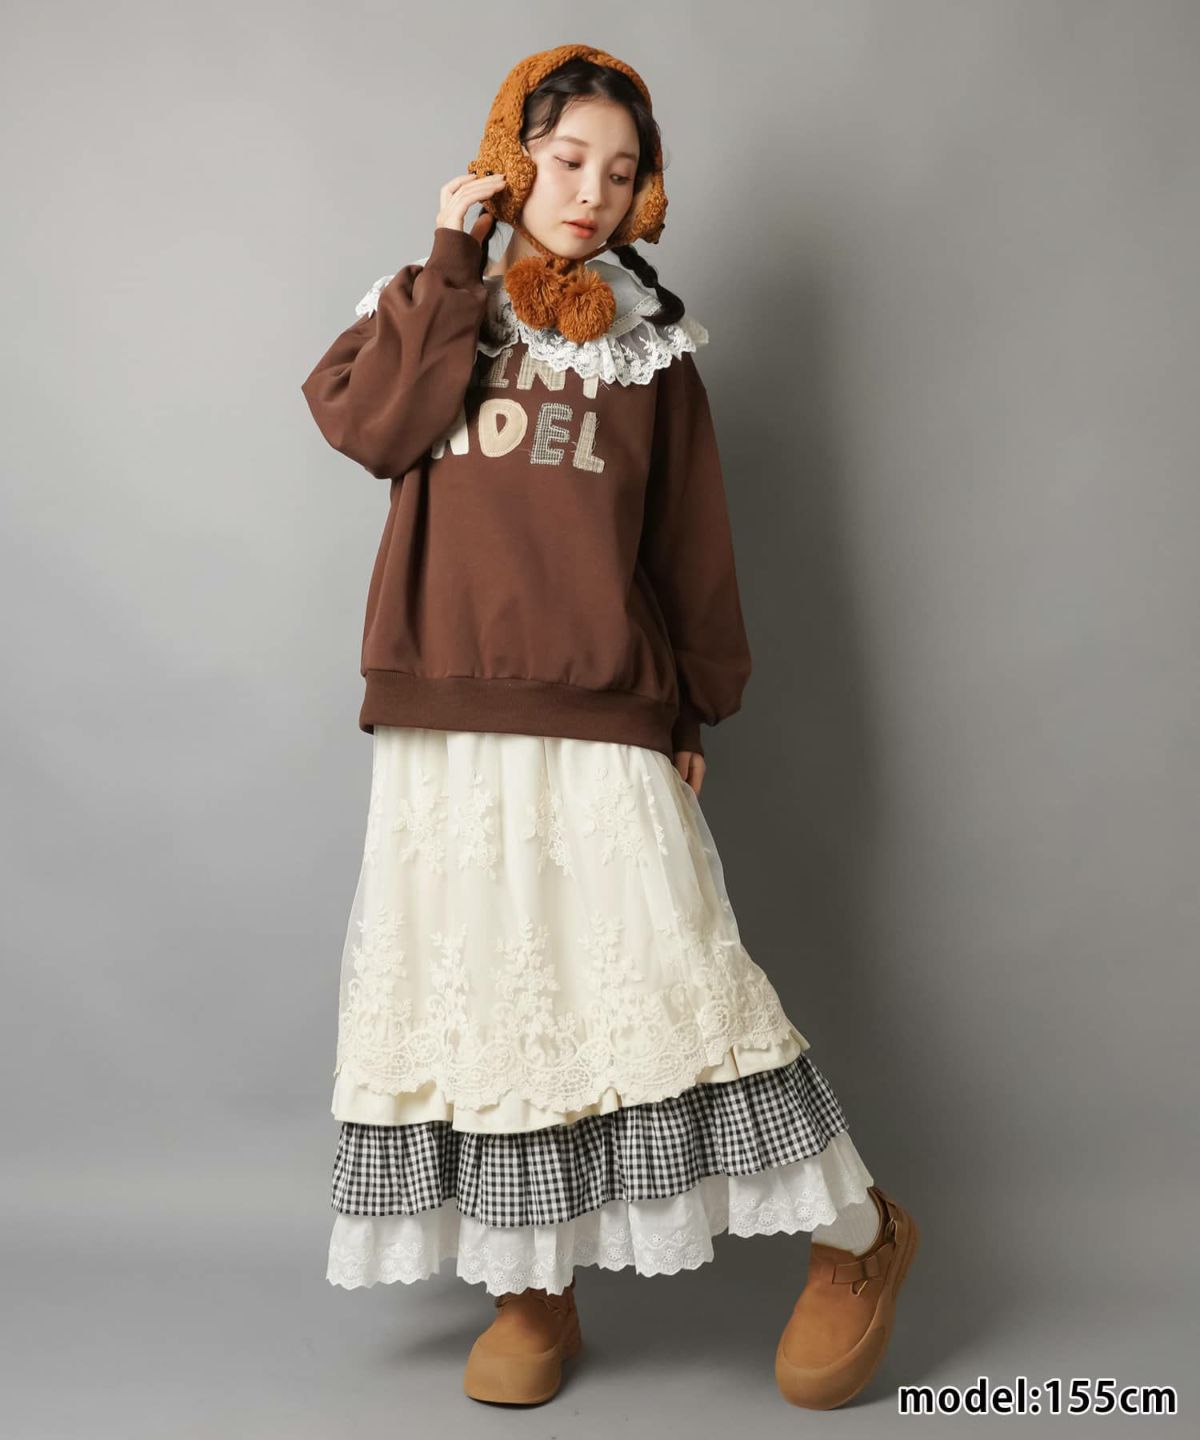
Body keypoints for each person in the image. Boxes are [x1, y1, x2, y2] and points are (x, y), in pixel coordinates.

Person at [300, 43, 919, 1411]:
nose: (591, 192)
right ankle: (531, 1289)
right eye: (568, 159)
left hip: (604, 705)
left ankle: (859, 1233)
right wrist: (451, 261)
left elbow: (690, 544)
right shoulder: (429, 306)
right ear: (510, 161)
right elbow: (373, 429)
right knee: (483, 990)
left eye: (622, 172)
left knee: (671, 974)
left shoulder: (649, 346)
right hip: (443, 709)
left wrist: (693, 701)